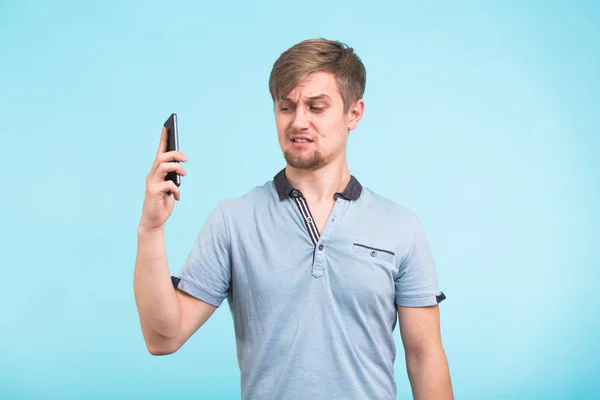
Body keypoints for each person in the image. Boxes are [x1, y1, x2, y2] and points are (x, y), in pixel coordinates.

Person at [134, 38, 453, 400]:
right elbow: (163, 337)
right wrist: (152, 229)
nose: (298, 122)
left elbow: (425, 356)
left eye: (316, 107)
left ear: (354, 113)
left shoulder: (401, 228)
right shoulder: (233, 220)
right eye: (286, 107)